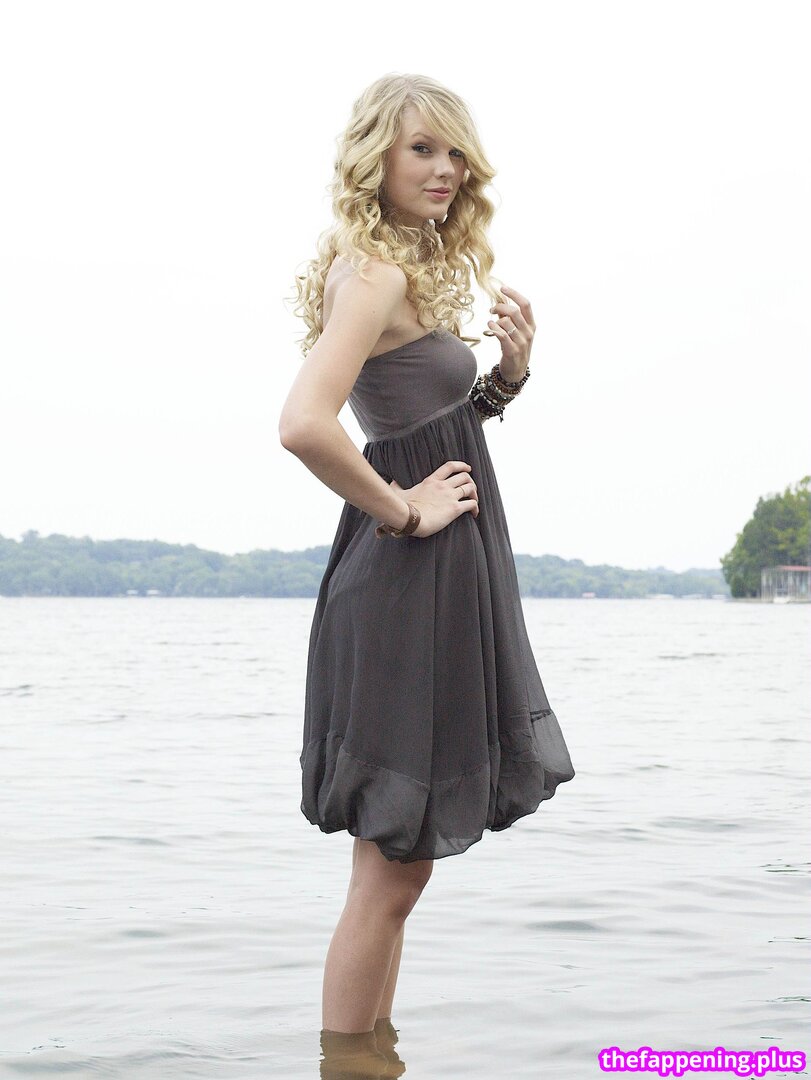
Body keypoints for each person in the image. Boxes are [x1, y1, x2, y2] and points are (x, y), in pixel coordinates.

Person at [279, 73, 576, 1045]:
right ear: (376, 157)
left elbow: (427, 427)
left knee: (396, 872)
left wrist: (506, 382)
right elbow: (304, 424)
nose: (445, 168)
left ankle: (371, 1059)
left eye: (454, 151)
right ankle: (347, 1062)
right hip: (406, 581)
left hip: (431, 584)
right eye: (421, 148)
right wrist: (405, 513)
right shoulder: (373, 274)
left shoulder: (395, 270)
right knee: (390, 874)